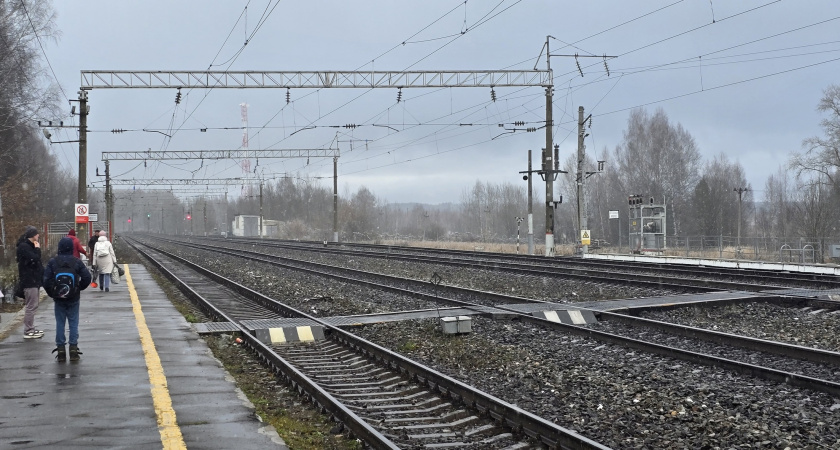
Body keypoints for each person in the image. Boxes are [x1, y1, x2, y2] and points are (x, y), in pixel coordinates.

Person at [44, 237, 92, 362]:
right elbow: (87, 277)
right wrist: (78, 288)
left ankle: (60, 350)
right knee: (73, 323)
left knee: (60, 323)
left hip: (59, 298)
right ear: (71, 248)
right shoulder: (76, 262)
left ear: (59, 248)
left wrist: (53, 293)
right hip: (73, 298)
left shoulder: (53, 262)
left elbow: (45, 280)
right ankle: (73, 349)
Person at [16, 226, 44, 339]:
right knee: (31, 306)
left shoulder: (27, 246)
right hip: (29, 280)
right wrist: (37, 249)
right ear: (33, 235)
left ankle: (30, 327)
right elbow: (35, 259)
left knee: (33, 305)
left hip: (33, 279)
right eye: (37, 234)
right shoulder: (24, 247)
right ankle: (28, 330)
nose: (38, 236)